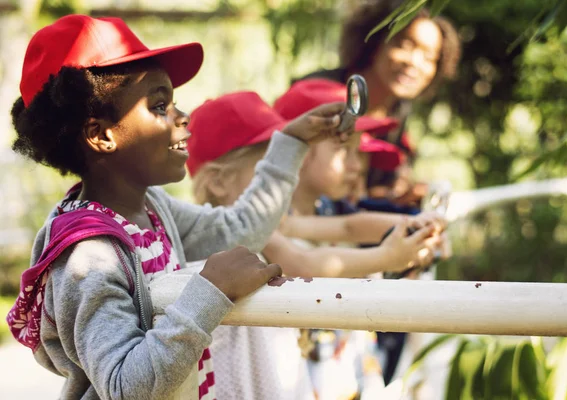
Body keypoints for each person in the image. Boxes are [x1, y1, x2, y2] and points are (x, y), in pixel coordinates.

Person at [5, 14, 348, 399]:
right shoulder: (87, 255)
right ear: (101, 135)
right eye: (159, 105)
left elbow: (241, 229)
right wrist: (210, 291)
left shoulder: (152, 209)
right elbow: (125, 385)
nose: (182, 118)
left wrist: (291, 142)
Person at [186, 91, 445, 400]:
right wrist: (387, 256)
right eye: (269, 168)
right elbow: (302, 263)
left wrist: (409, 224)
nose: (286, 172)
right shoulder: (238, 236)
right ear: (219, 182)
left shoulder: (277, 220)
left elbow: (349, 225)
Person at [300, 3, 461, 209]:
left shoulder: (399, 112)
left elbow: (369, 191)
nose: (414, 63)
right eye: (404, 45)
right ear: (375, 44)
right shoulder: (317, 92)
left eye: (430, 58)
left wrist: (398, 194)